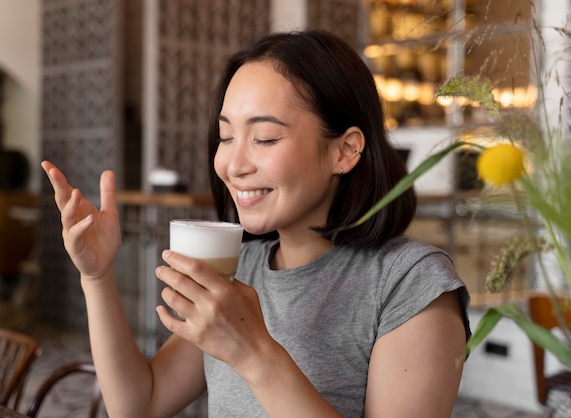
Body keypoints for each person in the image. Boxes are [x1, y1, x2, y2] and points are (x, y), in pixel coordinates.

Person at [42, 29, 470, 417]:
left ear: (345, 150)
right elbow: (140, 405)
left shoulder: (410, 284)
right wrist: (97, 277)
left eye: (264, 138)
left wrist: (253, 353)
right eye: (226, 137)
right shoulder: (241, 266)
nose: (233, 164)